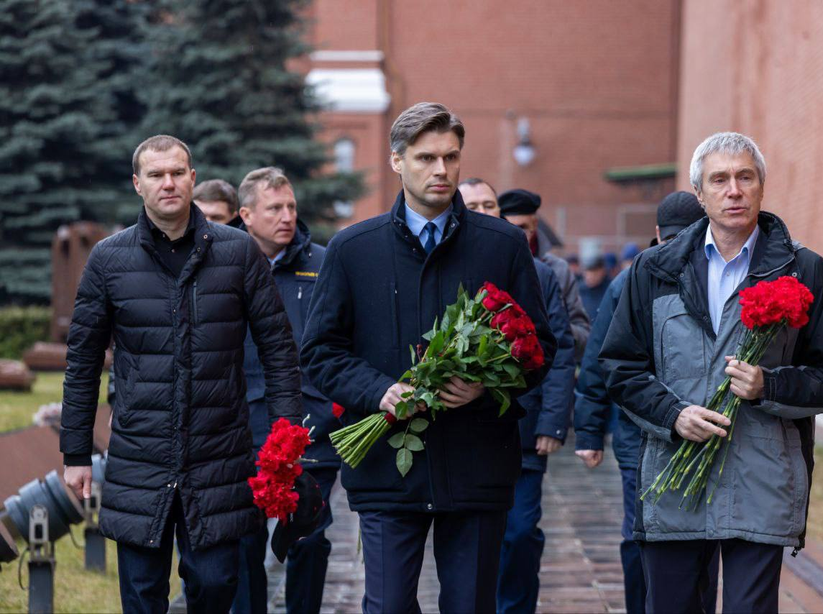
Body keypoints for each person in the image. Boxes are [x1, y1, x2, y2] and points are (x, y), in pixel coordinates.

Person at [300, 102, 556, 613]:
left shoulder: (503, 244)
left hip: (477, 461)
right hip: (387, 469)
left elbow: (540, 346)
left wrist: (488, 385)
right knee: (389, 605)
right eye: (425, 158)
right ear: (397, 162)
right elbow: (320, 353)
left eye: (450, 157)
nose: (441, 170)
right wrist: (380, 391)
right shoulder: (353, 249)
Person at [600, 132, 823, 612]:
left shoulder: (803, 270)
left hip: (762, 477)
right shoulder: (654, 270)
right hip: (673, 478)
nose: (734, 190)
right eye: (719, 179)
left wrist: (771, 384)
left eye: (745, 176)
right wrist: (674, 415)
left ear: (762, 186)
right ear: (699, 194)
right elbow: (619, 367)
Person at [60, 135, 303, 613]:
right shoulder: (109, 260)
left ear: (192, 178)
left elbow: (278, 350)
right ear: (137, 184)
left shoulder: (237, 253)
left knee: (215, 584)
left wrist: (285, 441)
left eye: (177, 172)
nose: (167, 183)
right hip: (139, 455)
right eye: (156, 175)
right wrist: (76, 452)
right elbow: (83, 360)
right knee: (143, 593)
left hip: (217, 453)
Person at [574, 191, 709, 614]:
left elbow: (599, 361)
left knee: (672, 534)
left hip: (672, 434)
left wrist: (590, 433)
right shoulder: (633, 282)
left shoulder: (708, 278)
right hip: (648, 436)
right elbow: (603, 359)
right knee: (657, 534)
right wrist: (590, 430)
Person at [461, 184, 576, 613]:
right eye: (472, 206)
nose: (483, 212)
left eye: (489, 205)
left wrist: (553, 423)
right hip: (462, 433)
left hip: (523, 431)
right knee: (474, 539)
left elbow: (557, 351)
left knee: (521, 531)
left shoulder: (539, 274)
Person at [229, 167, 338, 614]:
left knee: (310, 536)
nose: (287, 216)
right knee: (244, 539)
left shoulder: (325, 262)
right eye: (275, 208)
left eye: (291, 206)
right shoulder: (223, 262)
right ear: (246, 215)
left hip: (311, 424)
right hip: (241, 424)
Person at [461, 180, 591, 361]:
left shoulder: (554, 270)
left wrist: (548, 327)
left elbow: (583, 337)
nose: (516, 234)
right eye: (509, 226)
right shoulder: (480, 262)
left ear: (534, 225)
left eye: (522, 228)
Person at [578, 254, 610, 322]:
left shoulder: (610, 290)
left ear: (602, 271)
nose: (589, 276)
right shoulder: (579, 290)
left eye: (594, 273)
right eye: (586, 273)